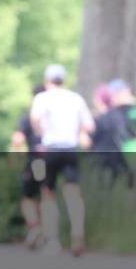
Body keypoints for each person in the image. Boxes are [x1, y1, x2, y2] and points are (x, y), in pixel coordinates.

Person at [31, 64, 95, 257]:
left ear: (47, 80)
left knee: (47, 193)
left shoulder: (42, 98)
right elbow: (89, 125)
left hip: (50, 149)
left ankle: (52, 240)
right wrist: (78, 132)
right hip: (70, 149)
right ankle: (77, 231)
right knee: (73, 192)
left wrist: (40, 131)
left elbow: (35, 118)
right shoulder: (76, 98)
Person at [11, 84, 46, 248]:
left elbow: (18, 139)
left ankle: (35, 226)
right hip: (51, 159)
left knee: (28, 197)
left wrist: (16, 158)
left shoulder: (29, 117)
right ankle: (46, 230)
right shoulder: (54, 116)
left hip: (35, 161)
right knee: (47, 194)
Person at [90, 83, 134, 188]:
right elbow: (124, 135)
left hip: (101, 159)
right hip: (116, 157)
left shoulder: (99, 119)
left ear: (100, 100)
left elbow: (91, 140)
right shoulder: (117, 115)